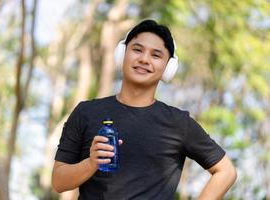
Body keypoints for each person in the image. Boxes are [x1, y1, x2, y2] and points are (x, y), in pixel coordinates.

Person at [51, 19, 237, 200]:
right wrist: (90, 163)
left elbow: (226, 171)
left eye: (156, 55)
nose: (144, 59)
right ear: (122, 53)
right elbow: (59, 182)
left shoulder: (178, 123)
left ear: (168, 68)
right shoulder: (86, 112)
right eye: (137, 50)